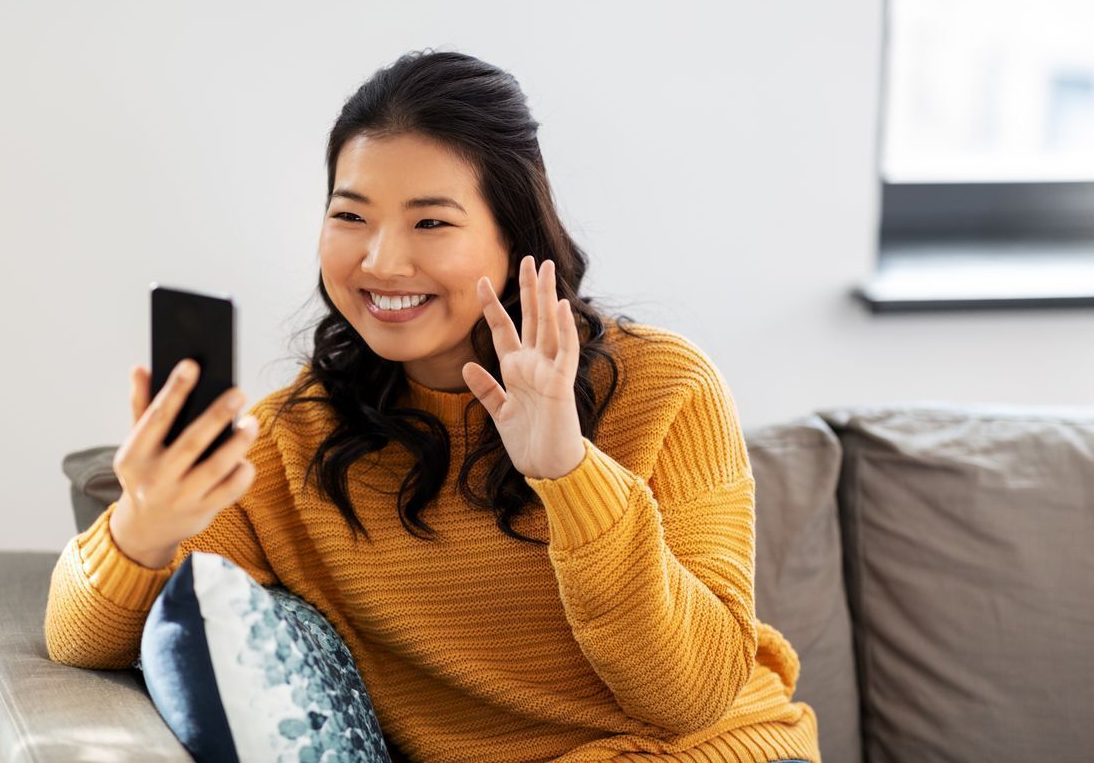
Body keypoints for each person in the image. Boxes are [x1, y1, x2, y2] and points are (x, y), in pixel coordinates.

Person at [44, 49, 820, 763]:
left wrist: (568, 473)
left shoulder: (662, 387)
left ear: (515, 235)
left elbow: (693, 696)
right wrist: (140, 527)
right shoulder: (291, 444)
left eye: (431, 222)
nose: (381, 261)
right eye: (350, 216)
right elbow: (75, 641)